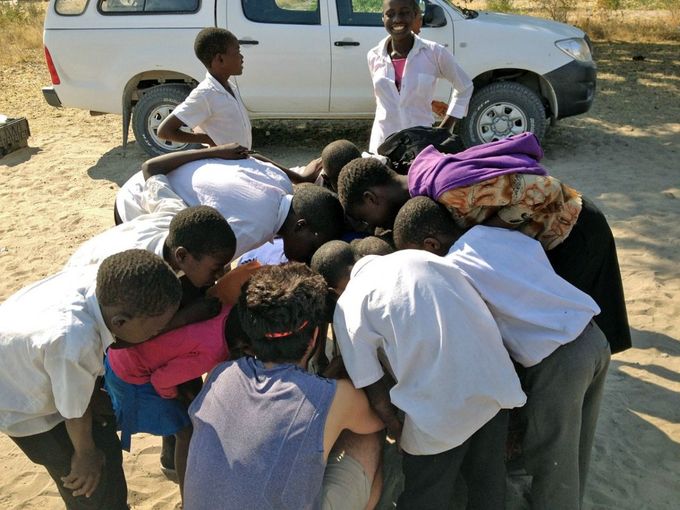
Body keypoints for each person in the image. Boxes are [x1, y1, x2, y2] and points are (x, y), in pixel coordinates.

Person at [393, 196, 612, 509]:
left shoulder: (452, 271)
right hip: (593, 337)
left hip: (559, 361)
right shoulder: (489, 233)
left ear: (430, 245)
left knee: (551, 457)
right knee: (576, 444)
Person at [337, 134, 631, 353]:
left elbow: (543, 190)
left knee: (581, 328)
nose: (371, 225)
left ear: (371, 198)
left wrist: (486, 233)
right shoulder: (421, 178)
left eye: (365, 217)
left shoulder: (449, 191)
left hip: (573, 228)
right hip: (554, 233)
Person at [314, 242, 526, 509]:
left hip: (439, 412)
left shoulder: (349, 303)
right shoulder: (420, 258)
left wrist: (396, 428)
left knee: (426, 494)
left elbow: (372, 387)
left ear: (332, 291)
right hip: (493, 383)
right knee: (488, 481)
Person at [183, 263, 385, 510]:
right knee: (368, 438)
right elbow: (377, 421)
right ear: (314, 337)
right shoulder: (337, 396)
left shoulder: (218, 374)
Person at [0, 249, 182, 510]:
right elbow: (74, 410)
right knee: (91, 487)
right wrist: (85, 454)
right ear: (120, 322)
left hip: (37, 367)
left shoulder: (104, 286)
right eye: (155, 329)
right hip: (26, 408)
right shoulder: (76, 341)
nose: (158, 334)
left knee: (105, 452)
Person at [117, 144, 345, 263]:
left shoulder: (281, 181)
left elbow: (253, 156)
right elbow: (193, 262)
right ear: (300, 225)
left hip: (155, 178)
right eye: (312, 248)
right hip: (141, 201)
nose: (310, 257)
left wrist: (301, 178)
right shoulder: (253, 229)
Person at [367, 0, 473, 153]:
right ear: (383, 18)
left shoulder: (434, 53)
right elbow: (388, 97)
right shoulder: (374, 56)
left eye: (404, 13)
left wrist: (444, 128)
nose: (397, 19)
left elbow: (465, 86)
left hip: (421, 146)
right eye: (390, 14)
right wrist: (427, 101)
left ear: (415, 15)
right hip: (382, 144)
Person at [157, 28, 251, 149]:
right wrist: (207, 139)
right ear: (220, 59)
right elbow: (165, 131)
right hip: (222, 160)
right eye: (237, 52)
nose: (241, 57)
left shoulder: (228, 87)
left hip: (241, 158)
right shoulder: (206, 94)